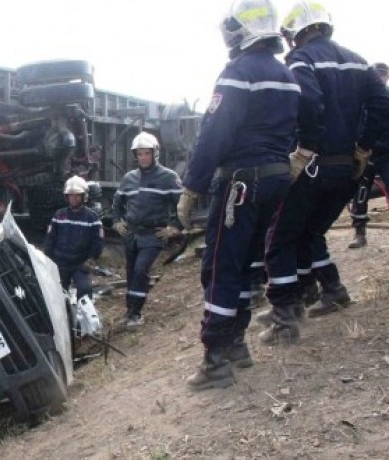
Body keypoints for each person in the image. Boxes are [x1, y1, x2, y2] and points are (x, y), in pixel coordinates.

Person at [177, 0, 300, 390]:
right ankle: (237, 345)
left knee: (219, 267)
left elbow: (215, 133)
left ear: (239, 31)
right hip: (276, 179)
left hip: (241, 183)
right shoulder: (286, 74)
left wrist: (193, 185)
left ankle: (215, 360)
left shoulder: (238, 72)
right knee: (247, 264)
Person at [258, 1, 389, 341]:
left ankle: (286, 315)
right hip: (348, 169)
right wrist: (363, 146)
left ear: (298, 32)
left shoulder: (302, 59)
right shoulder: (359, 62)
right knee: (310, 231)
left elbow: (309, 102)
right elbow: (382, 105)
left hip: (313, 166)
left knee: (279, 237)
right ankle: (330, 290)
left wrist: (305, 147)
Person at [111, 132, 182, 327]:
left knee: (141, 270)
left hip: (153, 234)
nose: (143, 157)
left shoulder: (169, 177)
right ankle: (129, 310)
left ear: (155, 153)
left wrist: (174, 227)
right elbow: (117, 202)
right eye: (139, 154)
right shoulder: (129, 178)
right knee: (131, 271)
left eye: (146, 153)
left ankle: (136, 312)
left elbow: (182, 204)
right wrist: (117, 221)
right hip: (132, 234)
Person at [347, 63, 389, 249]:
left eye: (383, 75)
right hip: (365, 153)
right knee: (361, 194)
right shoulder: (360, 100)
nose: (380, 78)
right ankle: (359, 232)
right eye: (377, 75)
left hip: (387, 153)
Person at [44, 175, 105, 301]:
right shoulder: (59, 215)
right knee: (58, 294)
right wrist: (48, 260)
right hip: (60, 263)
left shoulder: (92, 217)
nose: (74, 198)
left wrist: (90, 260)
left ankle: (83, 318)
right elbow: (50, 239)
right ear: (66, 197)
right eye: (71, 195)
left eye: (77, 195)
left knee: (85, 290)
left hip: (80, 264)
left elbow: (98, 242)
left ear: (84, 196)